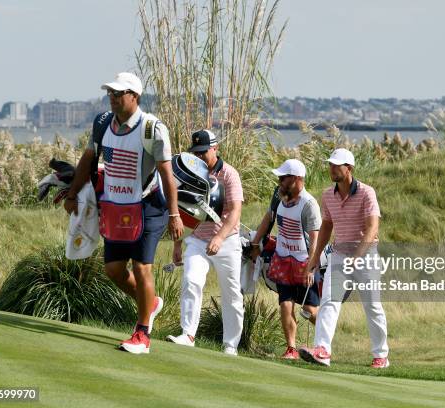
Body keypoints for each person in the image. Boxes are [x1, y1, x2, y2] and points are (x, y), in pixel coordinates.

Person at [64, 72, 184, 354]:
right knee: (113, 270)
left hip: (148, 206)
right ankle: (151, 304)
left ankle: (142, 335)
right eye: (110, 94)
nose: (113, 99)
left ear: (135, 97)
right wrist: (72, 194)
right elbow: (88, 159)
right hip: (115, 206)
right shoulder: (103, 123)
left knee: (142, 267)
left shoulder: (152, 128)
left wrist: (174, 214)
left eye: (119, 94)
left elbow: (167, 175)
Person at [299, 148, 389, 368]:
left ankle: (381, 355)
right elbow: (326, 227)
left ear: (348, 169)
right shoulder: (328, 195)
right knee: (329, 300)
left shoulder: (367, 193)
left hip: (366, 256)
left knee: (372, 306)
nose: (331, 169)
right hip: (339, 255)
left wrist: (357, 257)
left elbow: (372, 227)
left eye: (336, 165)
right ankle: (322, 351)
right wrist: (315, 258)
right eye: (330, 164)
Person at [166, 129, 244, 356]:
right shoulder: (189, 172)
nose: (199, 157)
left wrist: (220, 238)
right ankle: (188, 335)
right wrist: (178, 244)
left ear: (215, 149)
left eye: (203, 152)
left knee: (231, 294)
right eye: (196, 152)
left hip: (227, 241)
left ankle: (230, 345)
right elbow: (182, 210)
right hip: (199, 240)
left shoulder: (229, 174)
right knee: (191, 281)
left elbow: (236, 211)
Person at [250, 159, 322, 359]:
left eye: (284, 178)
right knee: (285, 304)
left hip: (304, 262)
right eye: (280, 178)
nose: (280, 181)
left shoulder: (309, 204)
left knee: (309, 309)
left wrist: (310, 268)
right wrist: (255, 243)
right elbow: (268, 218)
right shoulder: (278, 195)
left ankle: (325, 340)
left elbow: (315, 240)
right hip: (282, 259)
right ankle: (291, 349)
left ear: (298, 179)